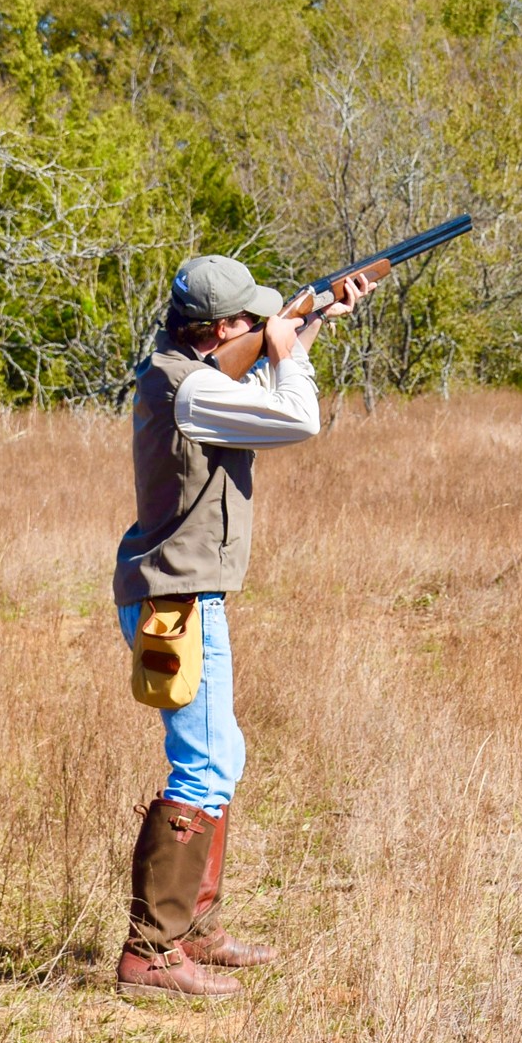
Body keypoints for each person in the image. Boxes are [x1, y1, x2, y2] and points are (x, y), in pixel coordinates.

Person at [110, 253, 367, 999]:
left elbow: (250, 397)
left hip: (183, 593)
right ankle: (150, 954)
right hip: (179, 600)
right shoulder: (188, 388)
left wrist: (305, 329)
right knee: (205, 765)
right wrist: (288, 356)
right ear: (222, 329)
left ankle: (191, 929)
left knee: (222, 754)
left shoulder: (185, 376)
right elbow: (295, 418)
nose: (261, 327)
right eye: (251, 321)